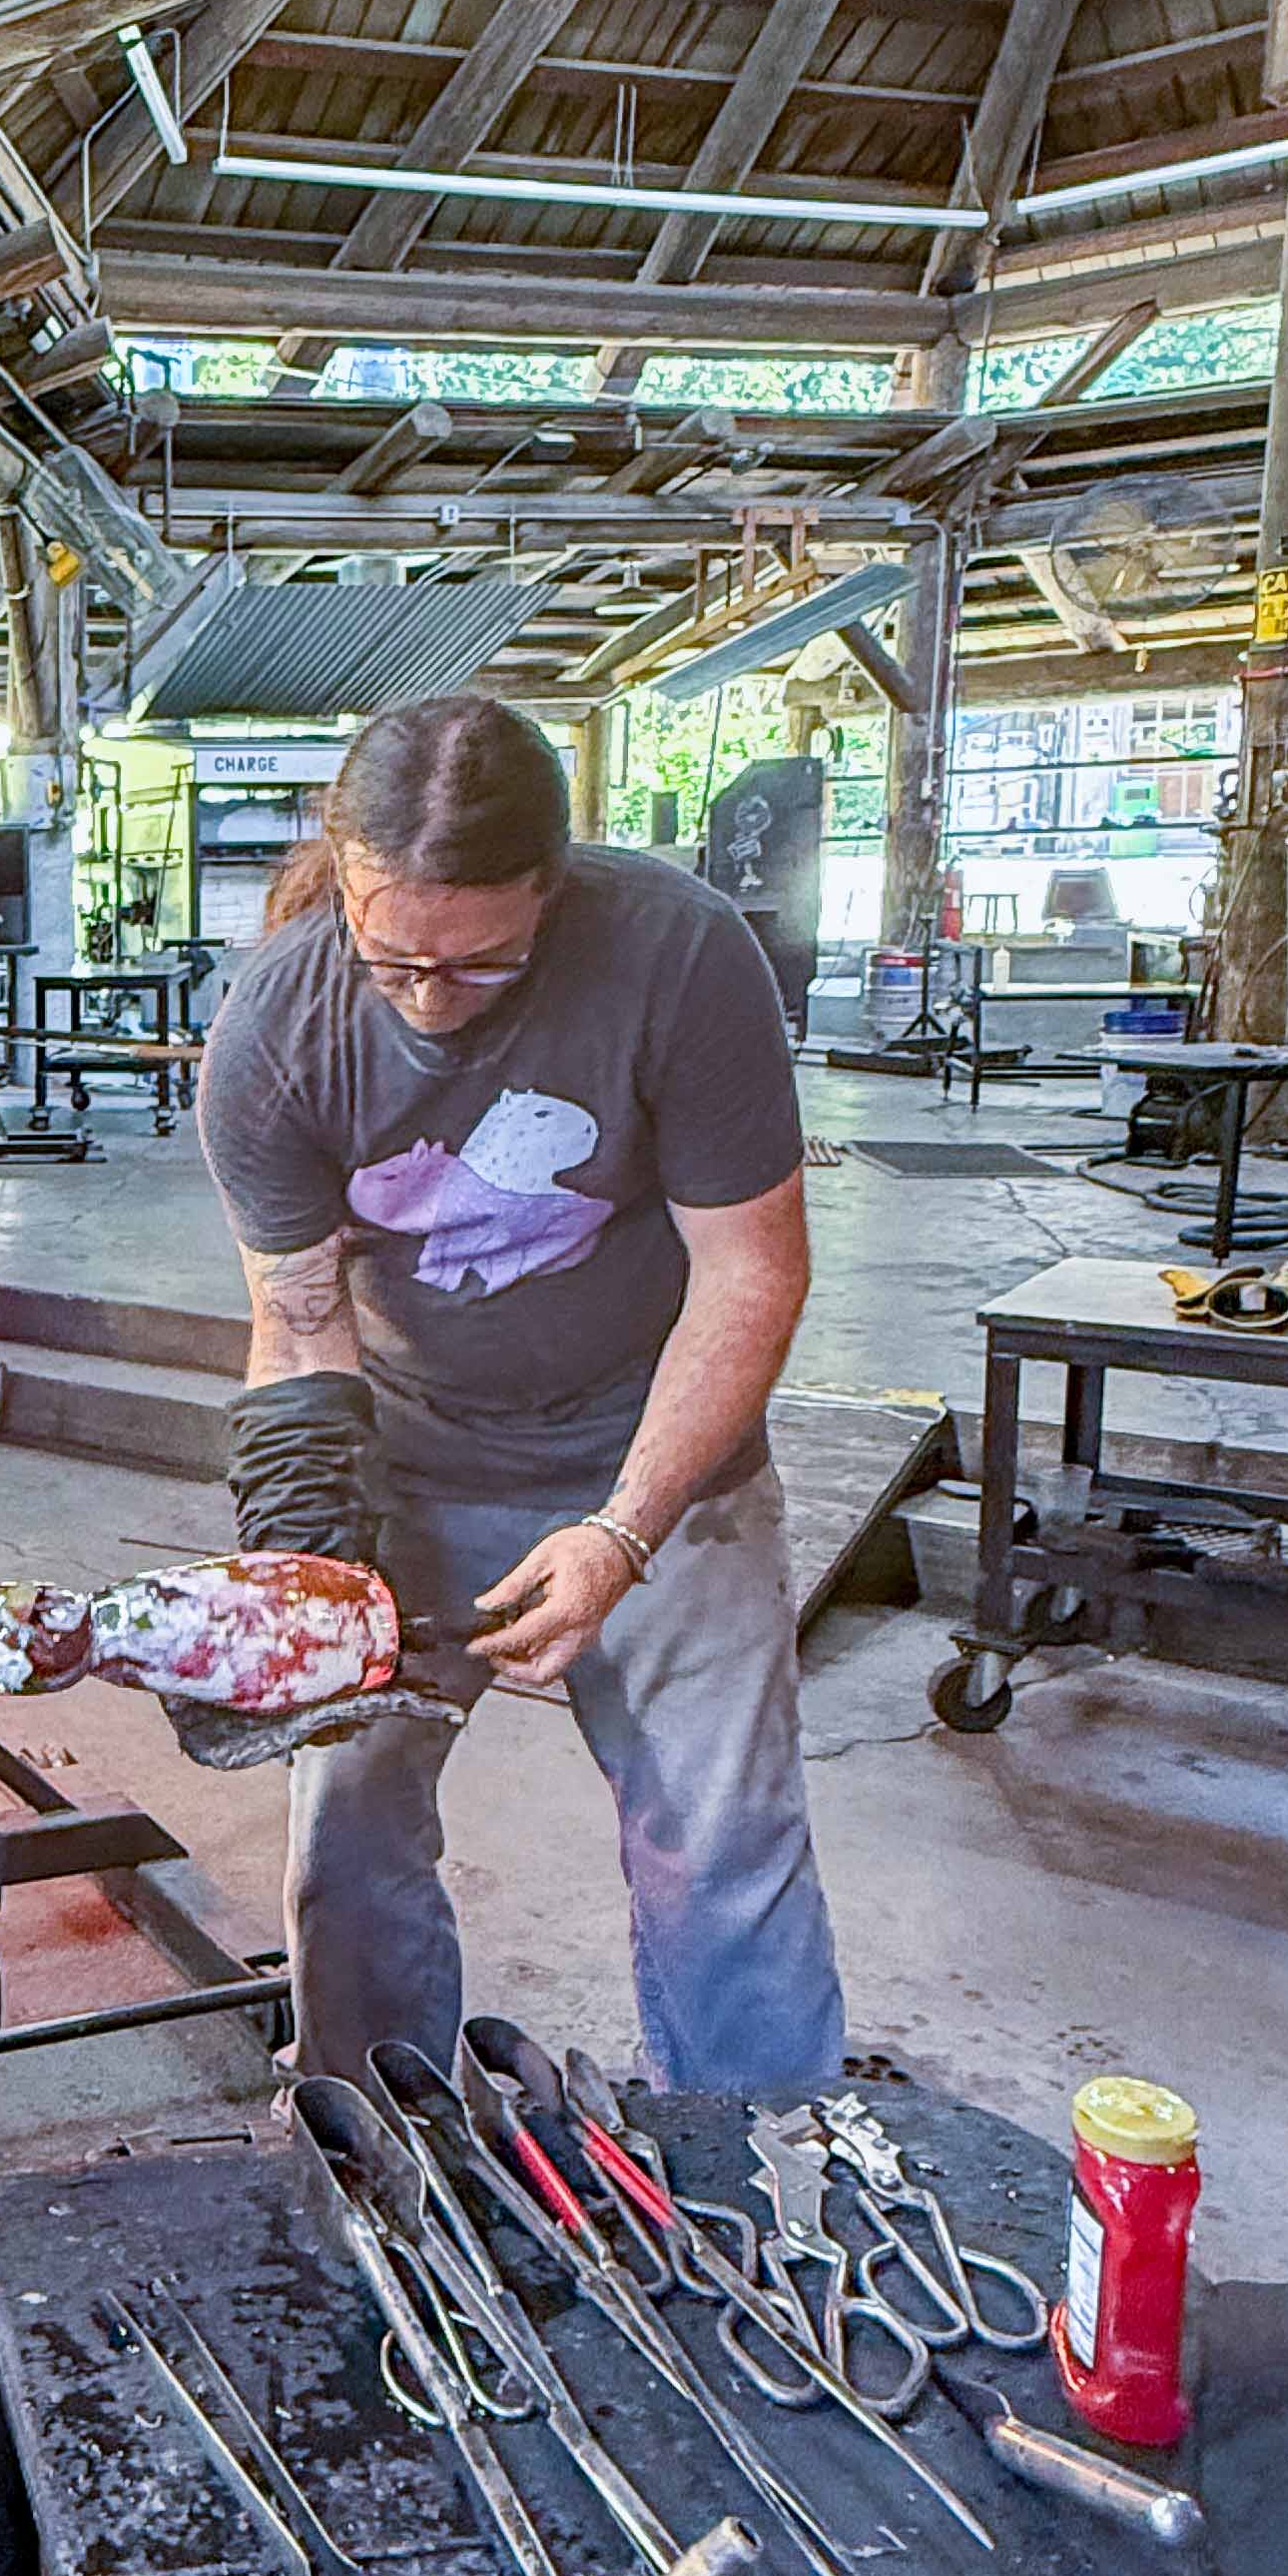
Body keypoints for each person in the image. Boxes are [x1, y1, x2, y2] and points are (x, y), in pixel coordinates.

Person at [197, 689, 844, 2096]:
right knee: (348, 1837)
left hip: (654, 1454)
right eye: (393, 960)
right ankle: (380, 2134)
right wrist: (301, 1569)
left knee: (721, 1845)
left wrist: (626, 1527)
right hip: (414, 1465)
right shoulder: (276, 1025)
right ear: (345, 876)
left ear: (549, 889)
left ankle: (769, 2182)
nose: (431, 999)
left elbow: (750, 1273)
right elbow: (299, 1324)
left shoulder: (677, 956)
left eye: (480, 967)